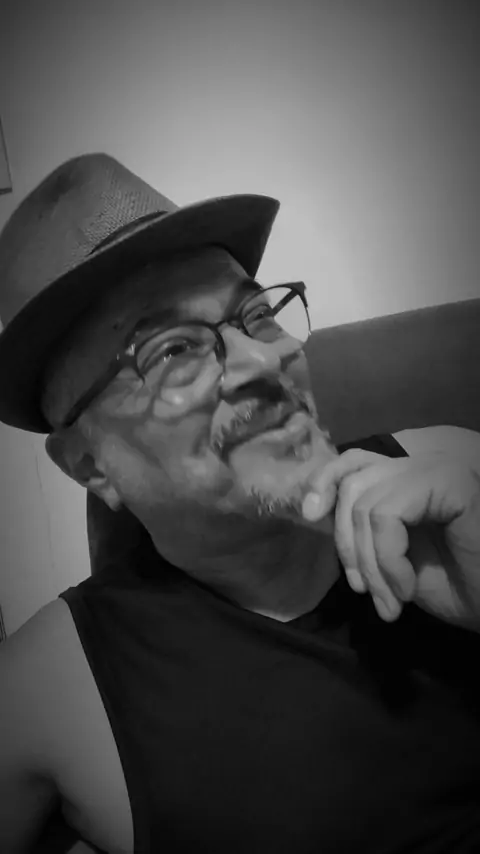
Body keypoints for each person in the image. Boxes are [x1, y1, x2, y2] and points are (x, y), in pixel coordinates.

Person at [0, 153, 479, 854]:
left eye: (255, 316)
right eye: (172, 353)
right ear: (90, 464)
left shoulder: (452, 476)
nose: (262, 361)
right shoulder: (55, 690)